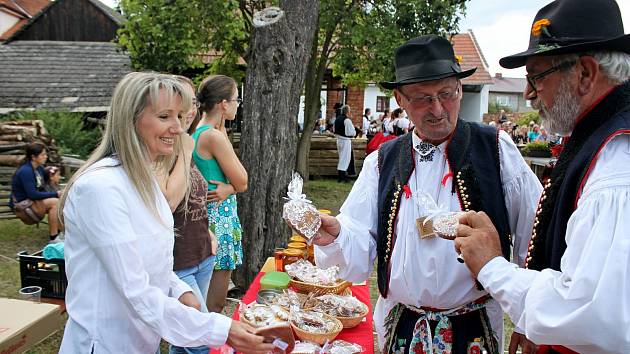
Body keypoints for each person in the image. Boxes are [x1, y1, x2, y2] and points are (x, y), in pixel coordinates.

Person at [313, 35, 541, 354]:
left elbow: (535, 233)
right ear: (400, 99)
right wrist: (336, 237)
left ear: (460, 89)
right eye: (422, 98)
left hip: (475, 328)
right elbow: (359, 243)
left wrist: (530, 318)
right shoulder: (383, 161)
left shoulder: (495, 149)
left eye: (446, 94)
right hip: (404, 327)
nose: (437, 108)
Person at [454, 0, 630, 352]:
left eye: (537, 76)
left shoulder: (617, 167)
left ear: (585, 73)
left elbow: (590, 314)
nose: (529, 93)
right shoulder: (593, 137)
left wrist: (492, 266)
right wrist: (530, 317)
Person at [58, 72, 273, 354]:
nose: (178, 128)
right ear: (131, 120)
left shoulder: (143, 177)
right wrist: (220, 330)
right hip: (104, 343)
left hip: (140, 340)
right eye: (165, 117)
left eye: (181, 116)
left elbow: (149, 260)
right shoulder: (101, 188)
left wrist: (180, 290)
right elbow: (133, 287)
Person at [158, 76, 218, 354]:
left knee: (184, 337)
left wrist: (208, 234)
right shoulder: (164, 150)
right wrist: (183, 151)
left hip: (202, 253)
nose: (190, 111)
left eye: (192, 103)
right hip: (178, 260)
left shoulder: (185, 144)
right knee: (201, 340)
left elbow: (194, 197)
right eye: (180, 106)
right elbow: (168, 202)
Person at [194, 75, 248, 314]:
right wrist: (233, 187)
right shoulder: (212, 136)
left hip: (208, 219)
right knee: (214, 303)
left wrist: (230, 187)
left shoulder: (201, 130)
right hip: (219, 221)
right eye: (236, 99)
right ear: (223, 104)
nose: (238, 104)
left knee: (203, 295)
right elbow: (243, 180)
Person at [10, 142, 61, 241]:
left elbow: (45, 184)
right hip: (23, 207)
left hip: (32, 203)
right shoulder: (26, 171)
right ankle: (54, 238)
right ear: (33, 157)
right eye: (42, 155)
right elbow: (32, 194)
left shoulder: (39, 168)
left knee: (62, 201)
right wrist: (56, 194)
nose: (45, 157)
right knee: (55, 202)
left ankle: (60, 232)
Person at [334, 104, 356, 182]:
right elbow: (350, 132)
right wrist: (354, 133)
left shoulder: (337, 119)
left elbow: (334, 130)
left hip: (339, 140)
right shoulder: (347, 120)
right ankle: (342, 177)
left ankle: (342, 176)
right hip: (345, 141)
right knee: (345, 158)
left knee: (342, 158)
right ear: (348, 112)